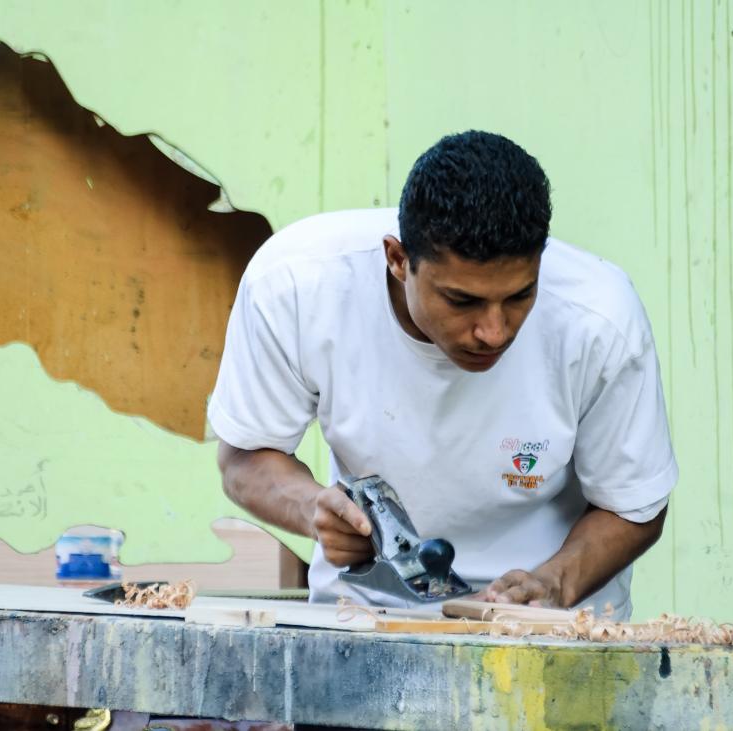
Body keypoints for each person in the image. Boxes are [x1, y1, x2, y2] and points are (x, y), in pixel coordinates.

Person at [208, 131, 676, 618]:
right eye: (462, 301)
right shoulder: (297, 286)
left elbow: (633, 504)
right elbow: (245, 458)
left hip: (547, 630)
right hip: (365, 625)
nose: (494, 332)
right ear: (397, 259)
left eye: (520, 296)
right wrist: (314, 511)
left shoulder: (599, 319)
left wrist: (553, 583)